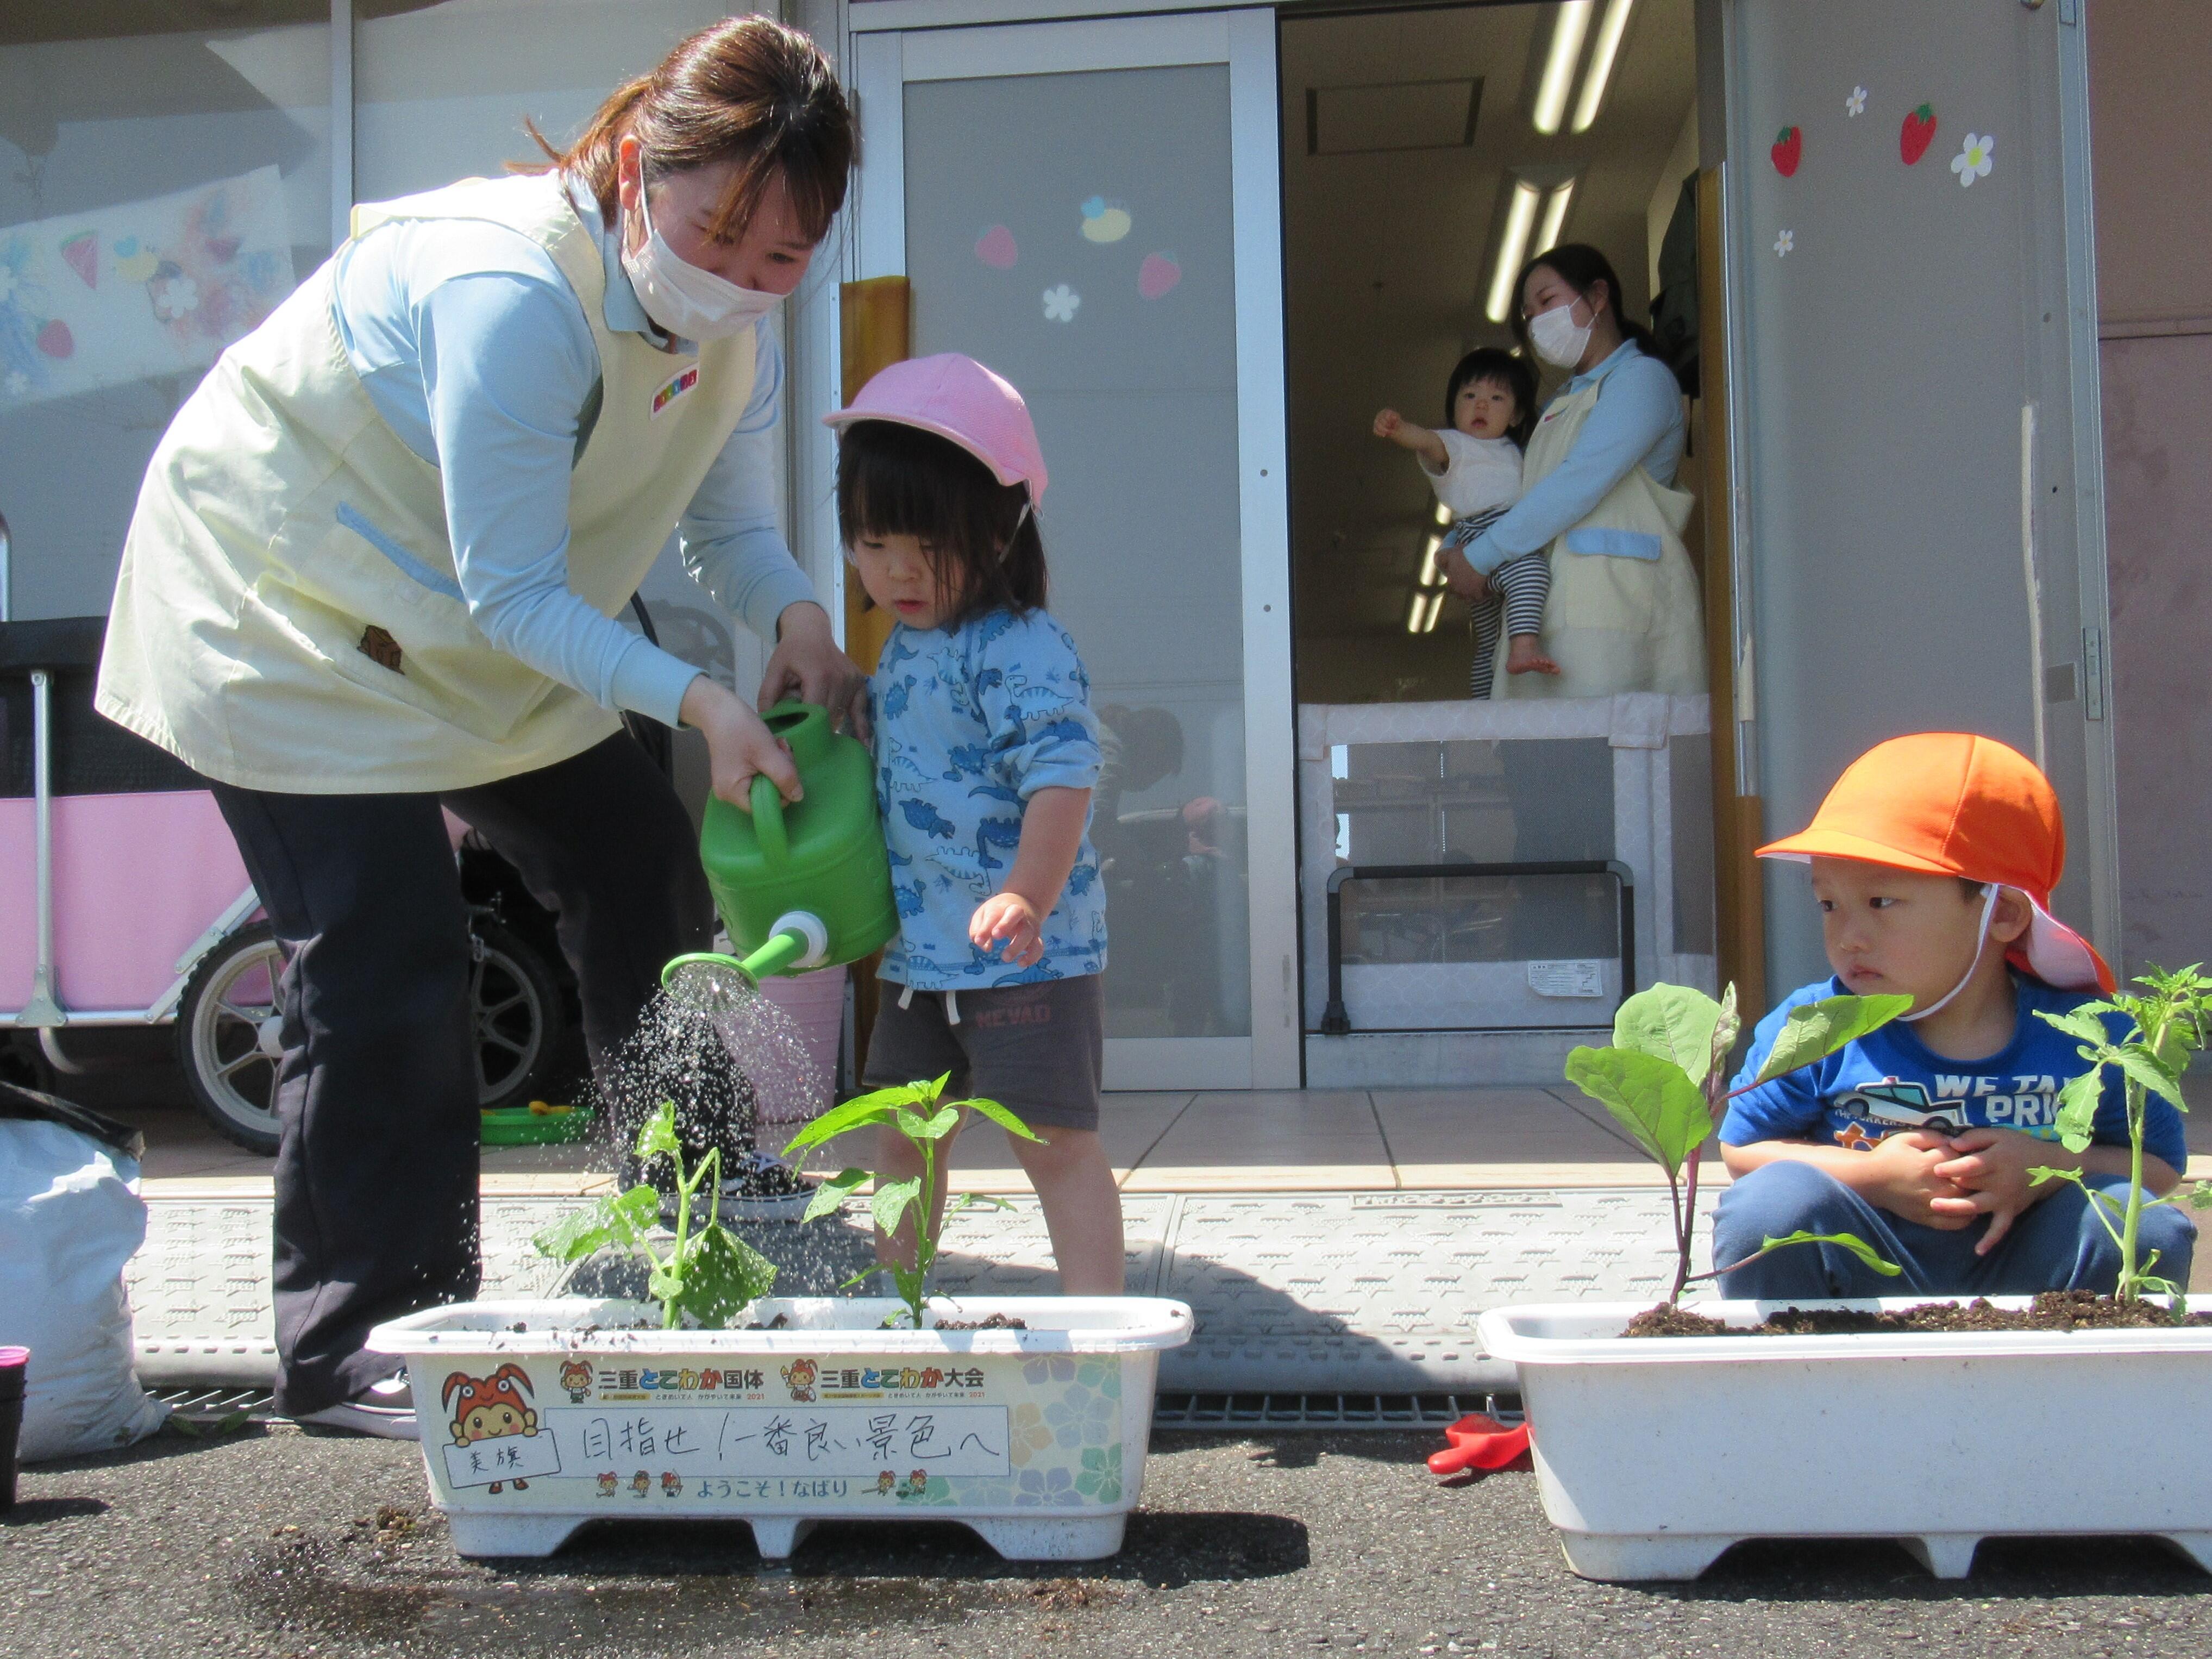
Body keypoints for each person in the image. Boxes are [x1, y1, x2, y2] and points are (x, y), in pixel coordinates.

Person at [92, 17, 860, 1437]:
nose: (740, 279)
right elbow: (513, 593)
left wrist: (799, 621)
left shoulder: (727, 332)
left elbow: (726, 529)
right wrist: (699, 700)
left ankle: (688, 1200)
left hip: (463, 621)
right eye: (716, 234)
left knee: (638, 862)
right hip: (289, 615)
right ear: (631, 166)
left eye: (781, 258)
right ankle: (362, 1335)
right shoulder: (509, 289)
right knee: (388, 951)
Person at [829, 353, 1123, 1296]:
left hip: (1026, 955)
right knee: (898, 1142)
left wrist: (1026, 894)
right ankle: (898, 1307)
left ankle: (1101, 1335)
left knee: (1055, 1143)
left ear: (1000, 529)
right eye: (874, 541)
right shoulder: (904, 646)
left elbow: (1063, 778)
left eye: (930, 543)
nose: (899, 569)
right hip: (921, 960)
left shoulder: (1021, 645)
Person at [1714, 733, 2195, 1299]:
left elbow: (2158, 1167)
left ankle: (2083, 1358)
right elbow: (1742, 1147)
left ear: (2003, 913)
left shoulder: (2093, 1035)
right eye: (1829, 904)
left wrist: (2047, 1167)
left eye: (1880, 902)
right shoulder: (1816, 1025)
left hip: (2033, 1277)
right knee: (1766, 1210)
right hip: (1865, 1273)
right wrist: (1873, 1177)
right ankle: (1799, 1352)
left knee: (2140, 1224)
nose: (1848, 936)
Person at [1439, 244, 1705, 699]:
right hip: (1550, 616)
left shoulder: (1641, 379)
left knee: (1607, 738)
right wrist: (1456, 546)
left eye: (1547, 301)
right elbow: (1513, 496)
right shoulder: (1559, 404)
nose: (1537, 323)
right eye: (1529, 316)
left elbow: (1578, 481)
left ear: (1598, 296)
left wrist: (1481, 557)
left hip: (1616, 610)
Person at [1373, 347, 1551, 694]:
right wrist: (1398, 428)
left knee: (1489, 640)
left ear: (1516, 415)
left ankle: (1483, 702)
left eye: (1496, 398)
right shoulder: (1455, 445)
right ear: (1453, 408)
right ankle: (1525, 646)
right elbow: (1426, 441)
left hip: (1491, 537)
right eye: (1470, 396)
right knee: (1532, 572)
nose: (1481, 405)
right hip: (1486, 534)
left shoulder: (1514, 451)